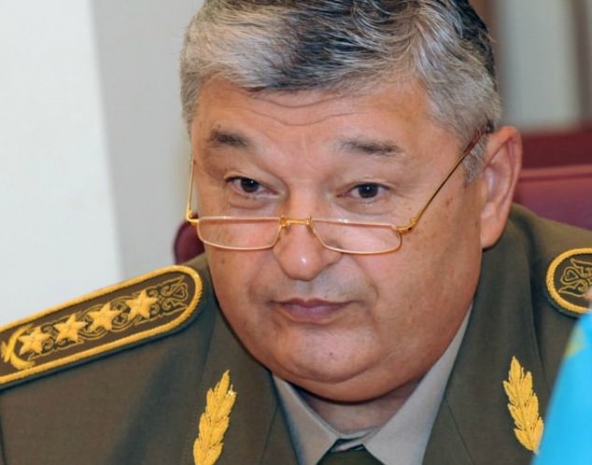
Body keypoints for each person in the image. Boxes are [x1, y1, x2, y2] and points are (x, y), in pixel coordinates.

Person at [0, 1, 591, 464]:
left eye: (364, 191)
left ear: (489, 186)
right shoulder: (40, 422)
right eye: (249, 186)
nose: (300, 258)